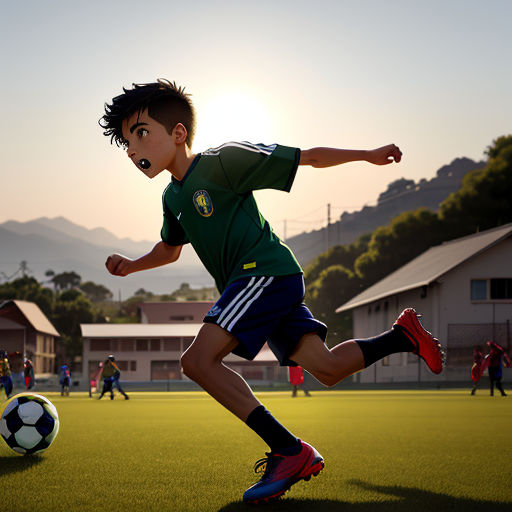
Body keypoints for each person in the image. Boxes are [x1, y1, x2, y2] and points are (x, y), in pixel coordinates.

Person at [99, 79, 444, 504]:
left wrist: (367, 156)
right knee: (329, 369)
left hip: (264, 274)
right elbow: (169, 251)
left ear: (178, 133)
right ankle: (403, 335)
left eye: (140, 133)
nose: (133, 150)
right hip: (258, 285)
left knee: (197, 361)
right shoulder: (173, 197)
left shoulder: (224, 160)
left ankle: (289, 451)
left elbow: (307, 157)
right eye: (127, 144)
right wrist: (132, 265)